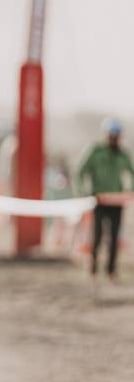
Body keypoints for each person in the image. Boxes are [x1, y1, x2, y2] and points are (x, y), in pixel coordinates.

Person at [78, 119, 134, 279]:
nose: (114, 138)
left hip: (116, 201)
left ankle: (111, 269)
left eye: (117, 136)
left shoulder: (123, 154)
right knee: (97, 234)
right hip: (98, 200)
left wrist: (130, 191)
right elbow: (81, 171)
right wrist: (84, 191)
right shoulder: (95, 152)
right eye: (112, 135)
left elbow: (132, 172)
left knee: (115, 235)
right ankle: (93, 266)